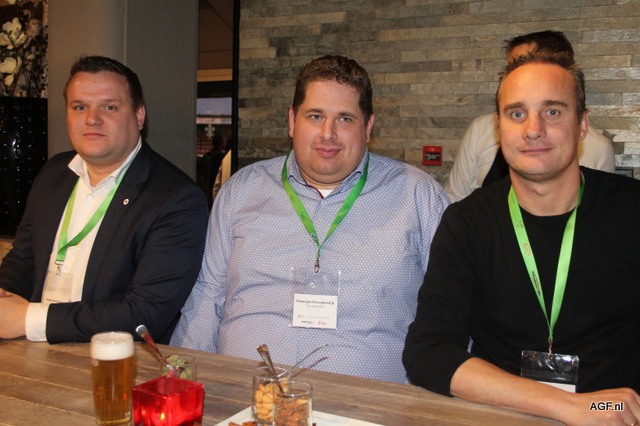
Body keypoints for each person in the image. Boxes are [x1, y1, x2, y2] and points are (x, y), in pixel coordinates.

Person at [171, 55, 450, 383]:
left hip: (368, 404)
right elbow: (208, 295)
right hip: (244, 396)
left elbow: (452, 313)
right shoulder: (241, 191)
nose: (328, 134)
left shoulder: (419, 198)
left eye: (345, 119)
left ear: (368, 127)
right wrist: (177, 380)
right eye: (315, 116)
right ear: (292, 120)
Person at [403, 51, 640, 424]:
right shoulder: (467, 223)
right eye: (517, 114)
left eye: (553, 111)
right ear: (499, 128)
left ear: (582, 124)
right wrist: (563, 405)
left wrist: (596, 408)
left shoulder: (631, 212)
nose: (533, 129)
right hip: (503, 415)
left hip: (611, 415)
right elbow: (428, 352)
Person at [0, 55, 209, 344]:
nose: (92, 119)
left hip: (111, 359)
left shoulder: (176, 199)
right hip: (27, 347)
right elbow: (23, 260)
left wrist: (29, 319)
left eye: (109, 107)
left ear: (139, 116)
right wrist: (4, 298)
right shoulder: (54, 173)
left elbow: (144, 313)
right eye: (80, 107)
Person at [445, 30, 615, 202]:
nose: (533, 131)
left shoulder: (599, 149)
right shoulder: (480, 129)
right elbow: (455, 196)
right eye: (512, 66)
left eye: (552, 112)